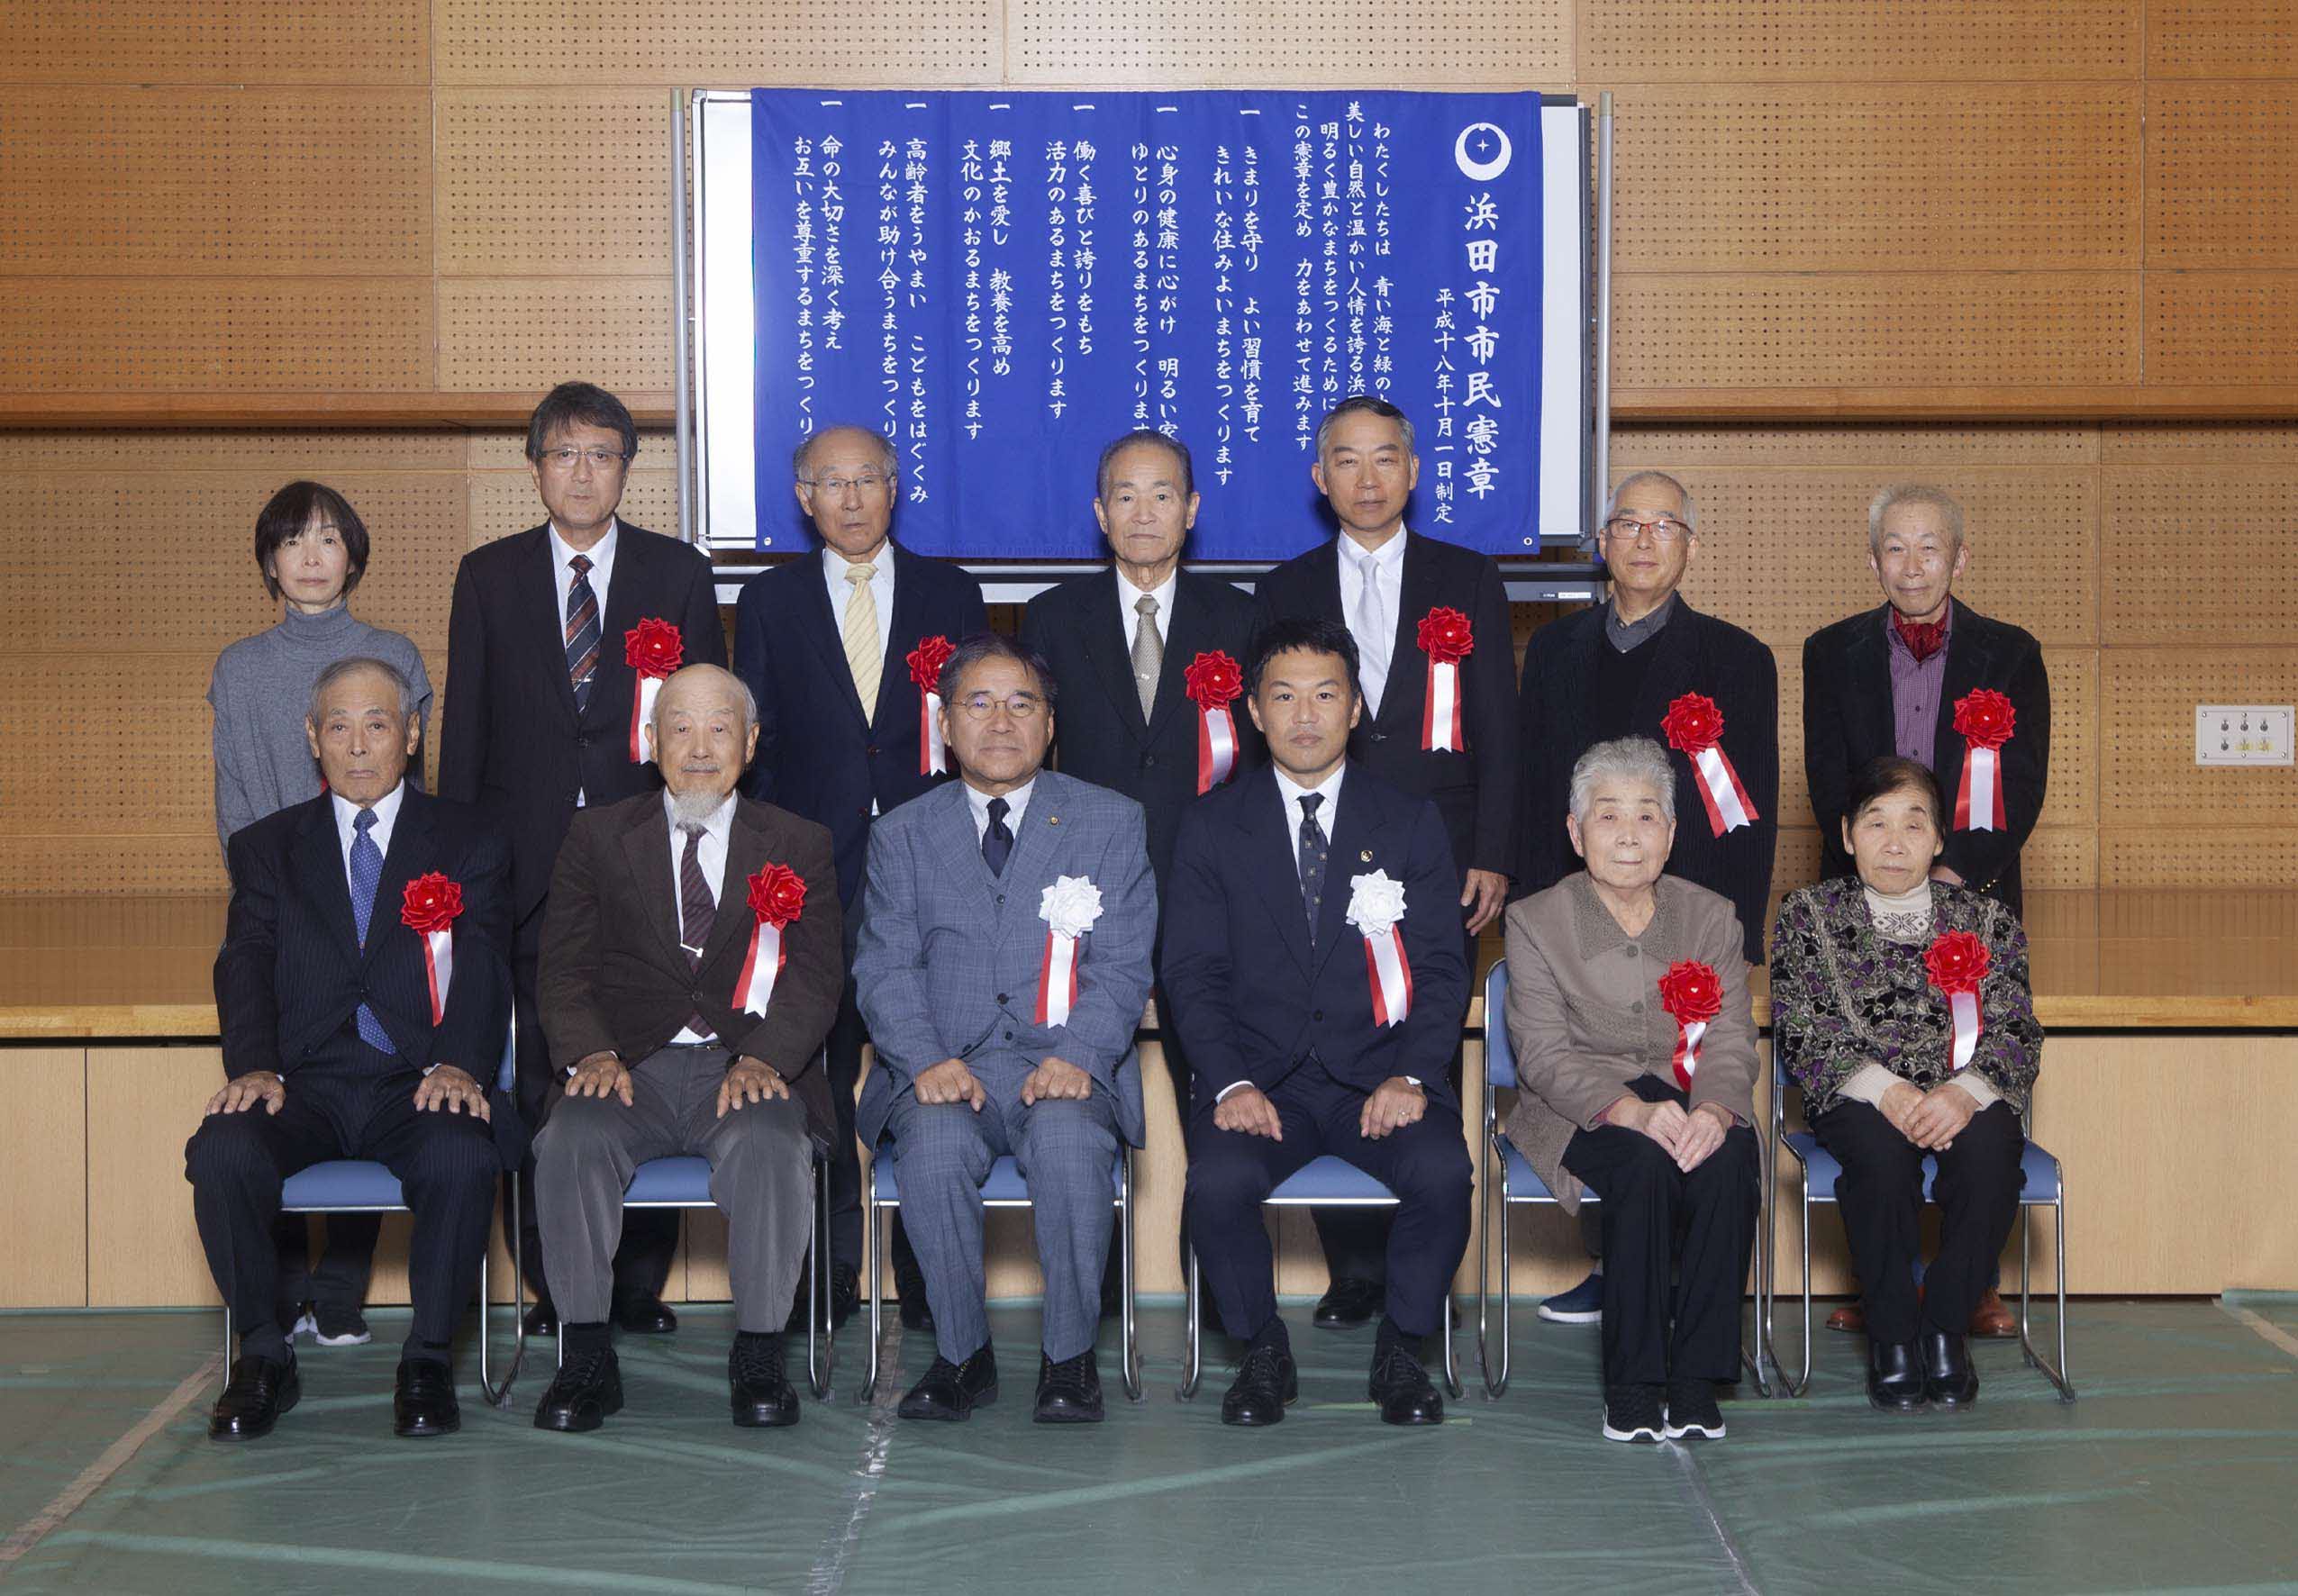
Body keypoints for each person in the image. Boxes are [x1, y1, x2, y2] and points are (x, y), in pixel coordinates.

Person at [439, 381, 724, 1338]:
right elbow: (467, 733)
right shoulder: (487, 576)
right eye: (563, 454)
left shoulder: (677, 573)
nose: (582, 473)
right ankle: (553, 1288)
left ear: (627, 470)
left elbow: (710, 730)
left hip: (651, 863)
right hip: (523, 868)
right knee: (534, 1076)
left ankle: (635, 1285)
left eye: (602, 455)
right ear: (535, 469)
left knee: (651, 1057)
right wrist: (467, 869)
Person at [187, 657, 510, 1440]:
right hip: (304, 1082)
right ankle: (263, 1356)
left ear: (412, 733)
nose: (358, 746)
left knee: (462, 1155)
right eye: (338, 726)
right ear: (312, 738)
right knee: (222, 1150)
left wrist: (461, 1063)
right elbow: (244, 960)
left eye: (377, 725)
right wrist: (254, 1066)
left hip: (418, 1078)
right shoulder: (266, 846)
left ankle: (427, 1359)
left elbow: (485, 960)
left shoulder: (469, 837)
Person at [1161, 618, 1472, 1427]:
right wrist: (1228, 1083)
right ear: (1253, 711)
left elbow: (1443, 969)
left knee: (1442, 1172)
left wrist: (1412, 1074)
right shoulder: (1209, 826)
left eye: (1326, 695)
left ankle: (1401, 1349)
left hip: (1380, 1075)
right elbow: (1191, 974)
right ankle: (1262, 1350)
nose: (1305, 715)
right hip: (1260, 1082)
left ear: (1355, 707)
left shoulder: (1407, 821)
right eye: (1284, 696)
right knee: (1216, 1184)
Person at [1251, 394, 1516, 1330]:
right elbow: (1275, 725)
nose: (1366, 478)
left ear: (1412, 471)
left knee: (1422, 1040)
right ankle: (1356, 1268)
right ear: (1319, 477)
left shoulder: (1467, 577)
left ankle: (1424, 1270)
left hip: (1439, 848)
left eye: (1384, 458)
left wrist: (1492, 849)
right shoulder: (1284, 586)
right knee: (1329, 1039)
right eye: (1346, 460)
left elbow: (1499, 724)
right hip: (1318, 843)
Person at [527, 667, 843, 1433]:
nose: (700, 748)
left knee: (771, 1146)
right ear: (649, 740)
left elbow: (816, 974)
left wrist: (767, 1056)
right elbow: (562, 969)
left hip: (744, 1068)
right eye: (680, 728)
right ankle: (585, 1355)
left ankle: (760, 1353)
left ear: (751, 743)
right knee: (569, 1141)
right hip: (625, 1068)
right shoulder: (596, 836)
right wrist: (590, 1053)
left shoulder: (798, 842)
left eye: (719, 728)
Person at [852, 634, 1157, 1424]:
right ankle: (962, 1357)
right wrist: (923, 1059)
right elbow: (884, 967)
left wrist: (1080, 1054)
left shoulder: (1109, 821)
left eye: (1021, 704)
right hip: (943, 1068)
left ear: (1049, 724)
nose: (999, 722)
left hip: (1063, 1064)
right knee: (932, 1152)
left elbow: (1123, 964)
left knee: (1067, 1148)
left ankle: (1069, 1361)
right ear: (944, 723)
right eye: (978, 703)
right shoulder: (902, 834)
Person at [733, 425, 988, 1332]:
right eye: (830, 483)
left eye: (866, 480)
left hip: (934, 863)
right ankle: (834, 1266)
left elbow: (980, 733)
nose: (850, 499)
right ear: (804, 498)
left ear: (894, 488)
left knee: (933, 1062)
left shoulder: (951, 593)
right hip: (813, 870)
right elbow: (757, 745)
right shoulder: (767, 601)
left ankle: (927, 1269)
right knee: (822, 1072)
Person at [1512, 470, 1776, 1328]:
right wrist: (1536, 914)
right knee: (1606, 1087)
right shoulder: (1553, 650)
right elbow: (1534, 792)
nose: (1642, 539)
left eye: (1663, 525)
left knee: (1687, 1089)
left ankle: (1676, 1277)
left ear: (1689, 546)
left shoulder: (1738, 658)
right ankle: (1618, 1265)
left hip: (1687, 923)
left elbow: (1750, 810)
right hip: (1580, 913)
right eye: (1626, 523)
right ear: (1601, 543)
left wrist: (1736, 939)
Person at [1802, 484, 2048, 1338]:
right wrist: (1884, 871)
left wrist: (1946, 876)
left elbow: (2021, 783)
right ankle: (1884, 1281)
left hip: (1970, 897)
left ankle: (1968, 1284)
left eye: (1929, 547)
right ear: (1873, 561)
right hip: (1863, 900)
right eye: (1894, 548)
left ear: (1959, 558)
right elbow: (1827, 778)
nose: (1912, 565)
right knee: (1877, 1102)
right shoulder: (1829, 650)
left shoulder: (2010, 653)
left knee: (1973, 1093)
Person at [208, 480, 436, 1351]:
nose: (311, 556)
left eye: (330, 539)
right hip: (283, 902)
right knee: (278, 1089)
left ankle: (339, 1289)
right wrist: (273, 884)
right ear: (269, 560)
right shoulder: (239, 667)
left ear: (353, 557)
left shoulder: (393, 654)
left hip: (381, 900)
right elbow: (235, 798)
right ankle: (282, 1292)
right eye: (293, 541)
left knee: (375, 1066)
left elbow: (417, 797)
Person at [1500, 737, 1761, 1442]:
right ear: (1574, 831)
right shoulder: (1534, 919)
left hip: (1686, 1091)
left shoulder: (1710, 915)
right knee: (1642, 1164)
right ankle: (1634, 1386)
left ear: (1670, 834)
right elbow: (1542, 1054)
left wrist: (1714, 1110)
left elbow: (1730, 1035)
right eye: (1607, 815)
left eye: (1646, 816)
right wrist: (1630, 1111)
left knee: (1728, 1158)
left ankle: (1696, 1379)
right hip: (1578, 1105)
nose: (1627, 834)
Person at [1770, 757, 2043, 1412]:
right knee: (1882, 1163)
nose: (1894, 843)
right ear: (1846, 834)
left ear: (1939, 838)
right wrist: (1886, 1091)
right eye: (1876, 823)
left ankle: (1944, 1327)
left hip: (1963, 1091)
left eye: (1913, 824)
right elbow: (1801, 1026)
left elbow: (2016, 1027)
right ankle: (1893, 1336)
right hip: (1860, 1094)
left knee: (1990, 1159)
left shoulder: (1987, 920)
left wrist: (1964, 1094)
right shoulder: (1807, 913)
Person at [1021, 430, 1263, 1129]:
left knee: (1216, 1073)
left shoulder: (1241, 616)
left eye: (1161, 495)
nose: (1144, 513)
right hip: (1084, 877)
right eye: (1125, 497)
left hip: (1209, 875)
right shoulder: (1051, 616)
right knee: (1072, 1072)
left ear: (1191, 509)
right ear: (1101, 513)